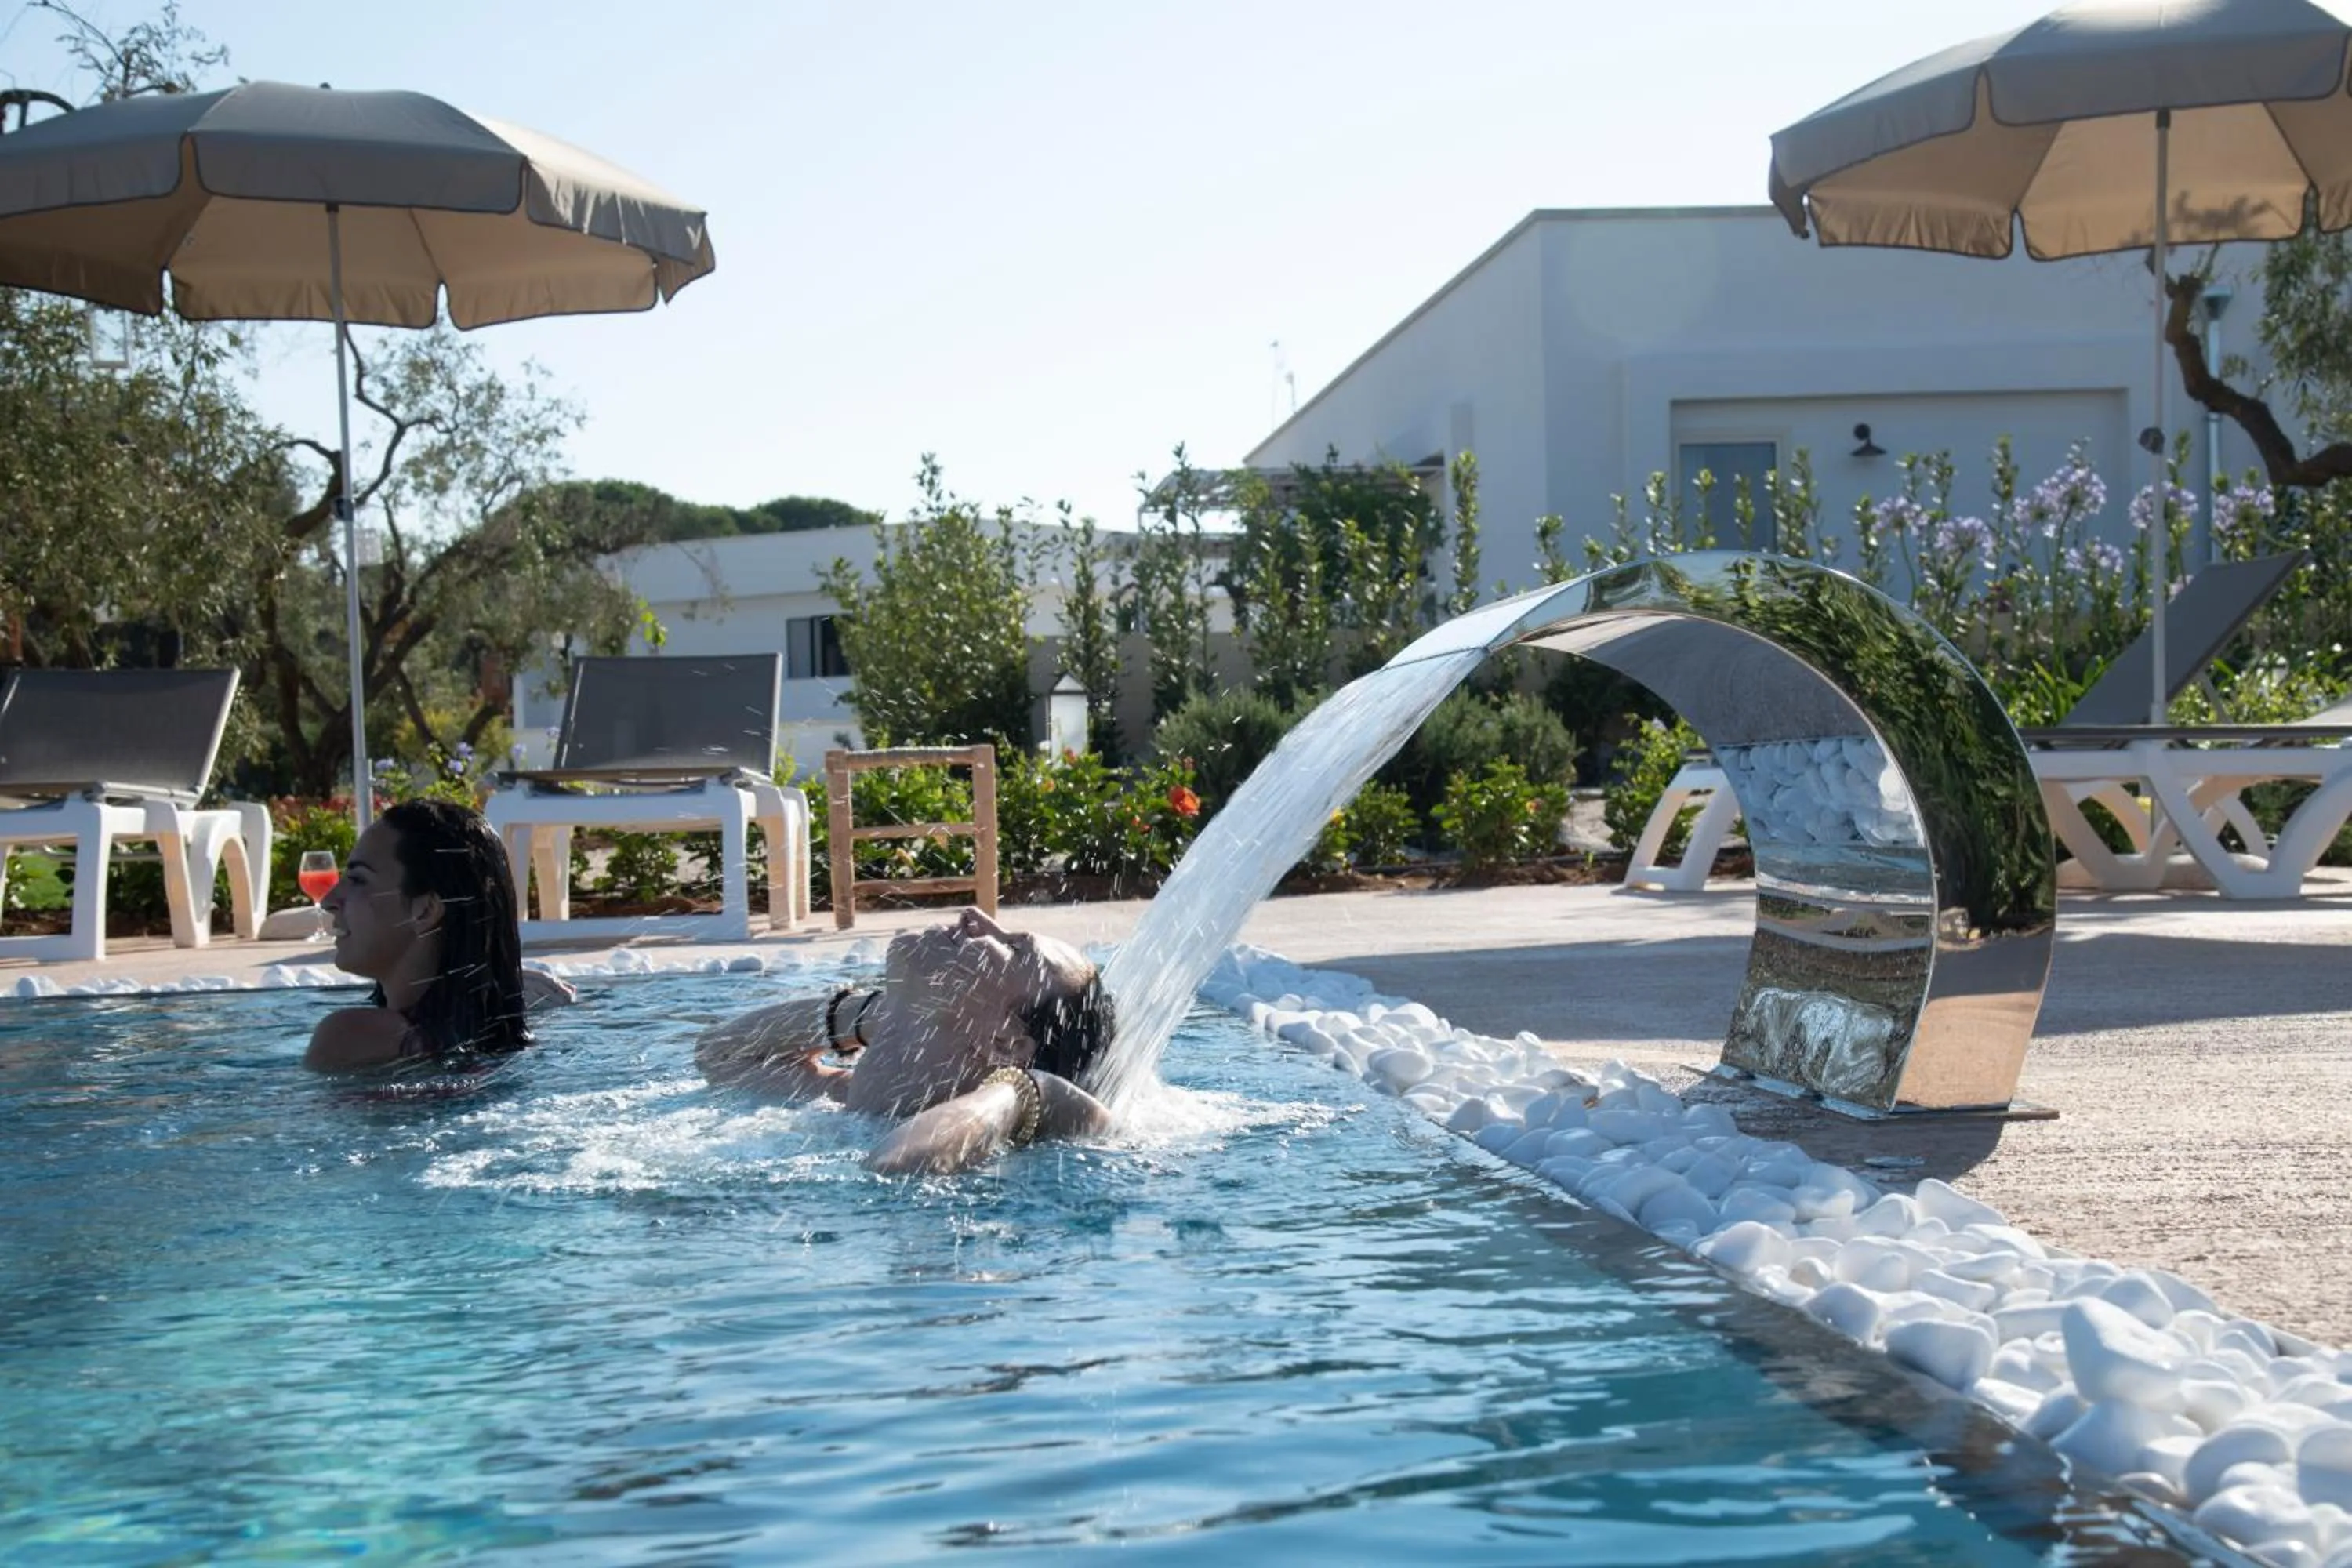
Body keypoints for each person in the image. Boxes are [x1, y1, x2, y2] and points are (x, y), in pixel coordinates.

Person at [695, 906, 1116, 1174]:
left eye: (1014, 947)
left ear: (1007, 1044)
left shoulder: (1009, 1111)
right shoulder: (862, 1099)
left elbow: (898, 1165)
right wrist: (886, 1013)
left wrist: (1024, 1093)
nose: (977, 919)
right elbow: (718, 1055)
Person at [304, 798, 573, 1073]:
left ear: (426, 910)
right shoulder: (495, 1037)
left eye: (358, 879)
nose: (329, 900)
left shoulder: (348, 1036)